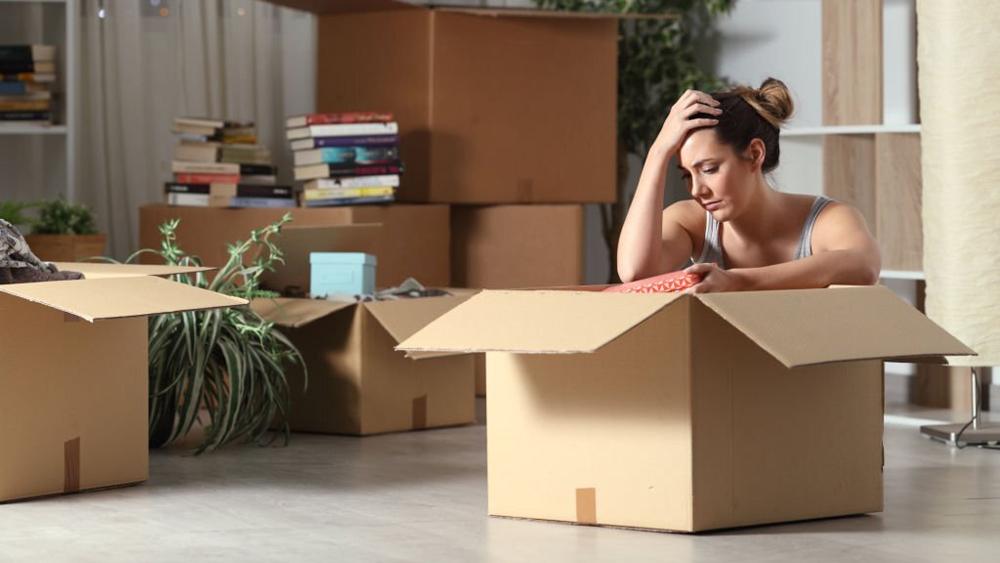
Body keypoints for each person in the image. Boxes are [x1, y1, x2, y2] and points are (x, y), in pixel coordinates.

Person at [616, 78, 881, 293]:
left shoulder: (826, 219)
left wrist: (737, 281)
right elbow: (635, 272)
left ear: (755, 154)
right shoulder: (692, 222)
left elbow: (864, 265)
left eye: (709, 169)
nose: (697, 190)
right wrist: (657, 152)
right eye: (687, 175)